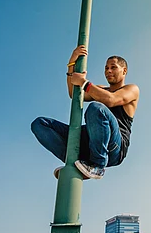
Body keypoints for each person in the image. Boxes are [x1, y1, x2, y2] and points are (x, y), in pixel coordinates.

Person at [31, 45, 139, 180]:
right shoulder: (100, 89)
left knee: (96, 108)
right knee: (40, 124)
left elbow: (111, 100)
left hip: (114, 146)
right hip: (91, 140)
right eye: (106, 68)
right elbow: (73, 93)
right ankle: (74, 162)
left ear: (124, 71)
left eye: (113, 67)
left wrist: (84, 82)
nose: (108, 71)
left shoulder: (132, 89)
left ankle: (97, 166)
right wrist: (71, 63)